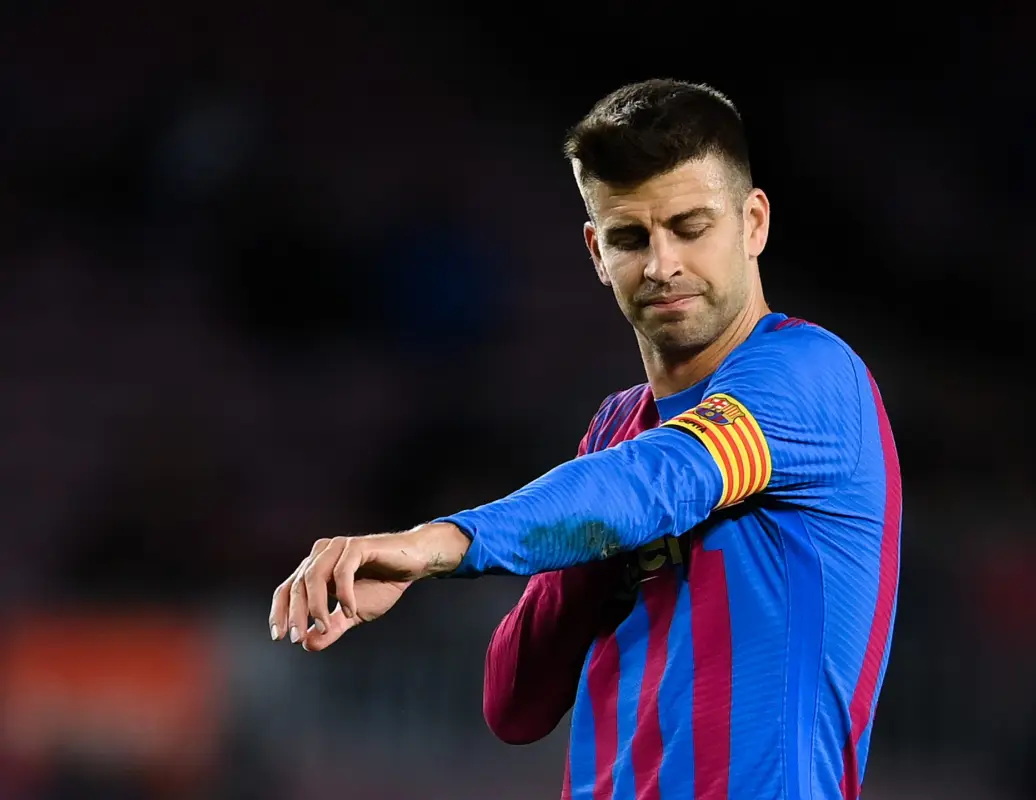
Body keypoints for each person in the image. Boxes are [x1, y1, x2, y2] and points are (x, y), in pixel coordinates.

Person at [269, 79, 902, 800]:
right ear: (596, 252)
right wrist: (589, 554)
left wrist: (437, 544)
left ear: (753, 223)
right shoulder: (616, 431)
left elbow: (661, 480)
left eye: (691, 227)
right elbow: (516, 703)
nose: (663, 265)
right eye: (632, 238)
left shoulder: (811, 376)